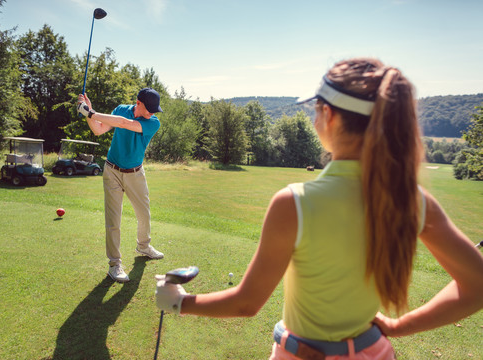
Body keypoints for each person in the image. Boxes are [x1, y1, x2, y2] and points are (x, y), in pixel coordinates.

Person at [154, 58, 483, 359]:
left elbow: (246, 303)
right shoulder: (412, 199)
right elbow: (477, 285)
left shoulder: (293, 202)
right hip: (377, 351)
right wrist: (397, 327)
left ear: (329, 115)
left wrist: (179, 302)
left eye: (316, 110)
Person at [77, 88, 165, 283]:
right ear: (138, 103)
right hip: (112, 171)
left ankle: (143, 246)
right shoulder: (120, 109)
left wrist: (90, 112)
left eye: (154, 109)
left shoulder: (153, 123)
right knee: (113, 220)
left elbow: (124, 124)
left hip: (135, 174)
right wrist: (88, 112)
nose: (152, 112)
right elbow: (98, 129)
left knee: (144, 213)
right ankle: (114, 264)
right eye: (149, 108)